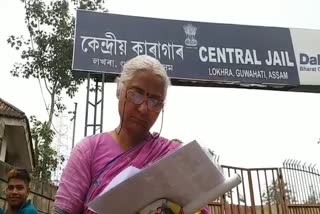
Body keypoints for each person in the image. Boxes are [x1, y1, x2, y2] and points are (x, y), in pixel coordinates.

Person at [53, 55, 209, 214]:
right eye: (136, 94)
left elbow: (200, 205)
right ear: (120, 91)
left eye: (155, 101)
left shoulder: (173, 156)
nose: (143, 109)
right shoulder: (88, 151)